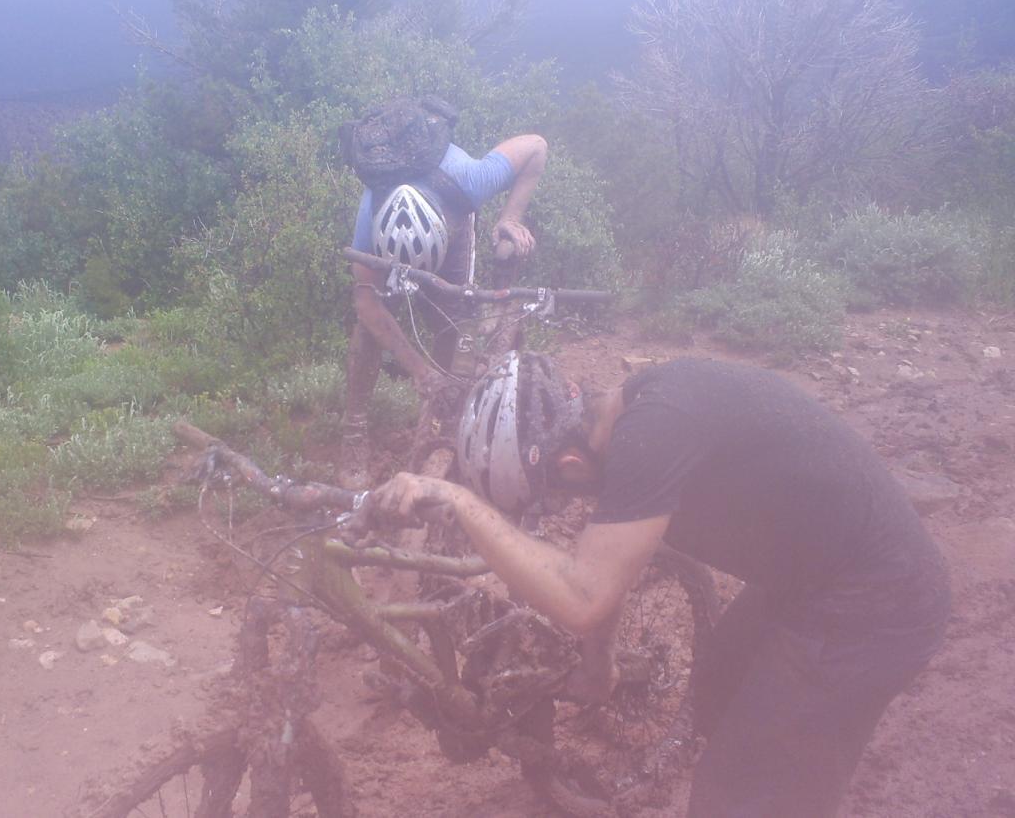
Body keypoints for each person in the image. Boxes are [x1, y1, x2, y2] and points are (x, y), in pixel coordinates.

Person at [372, 352, 951, 818]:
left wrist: (461, 503)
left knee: (738, 795)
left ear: (569, 465)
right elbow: (618, 559)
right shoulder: (634, 417)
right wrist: (599, 664)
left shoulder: (657, 435)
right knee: (721, 683)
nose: (567, 503)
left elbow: (584, 596)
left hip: (876, 606)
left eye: (556, 492)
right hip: (813, 574)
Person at [339, 109, 548, 489]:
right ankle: (354, 432)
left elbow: (536, 147)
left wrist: (510, 218)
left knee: (452, 315)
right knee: (368, 328)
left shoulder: (470, 181)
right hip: (393, 238)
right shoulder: (370, 216)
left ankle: (439, 415)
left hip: (450, 217)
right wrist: (418, 369)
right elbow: (366, 304)